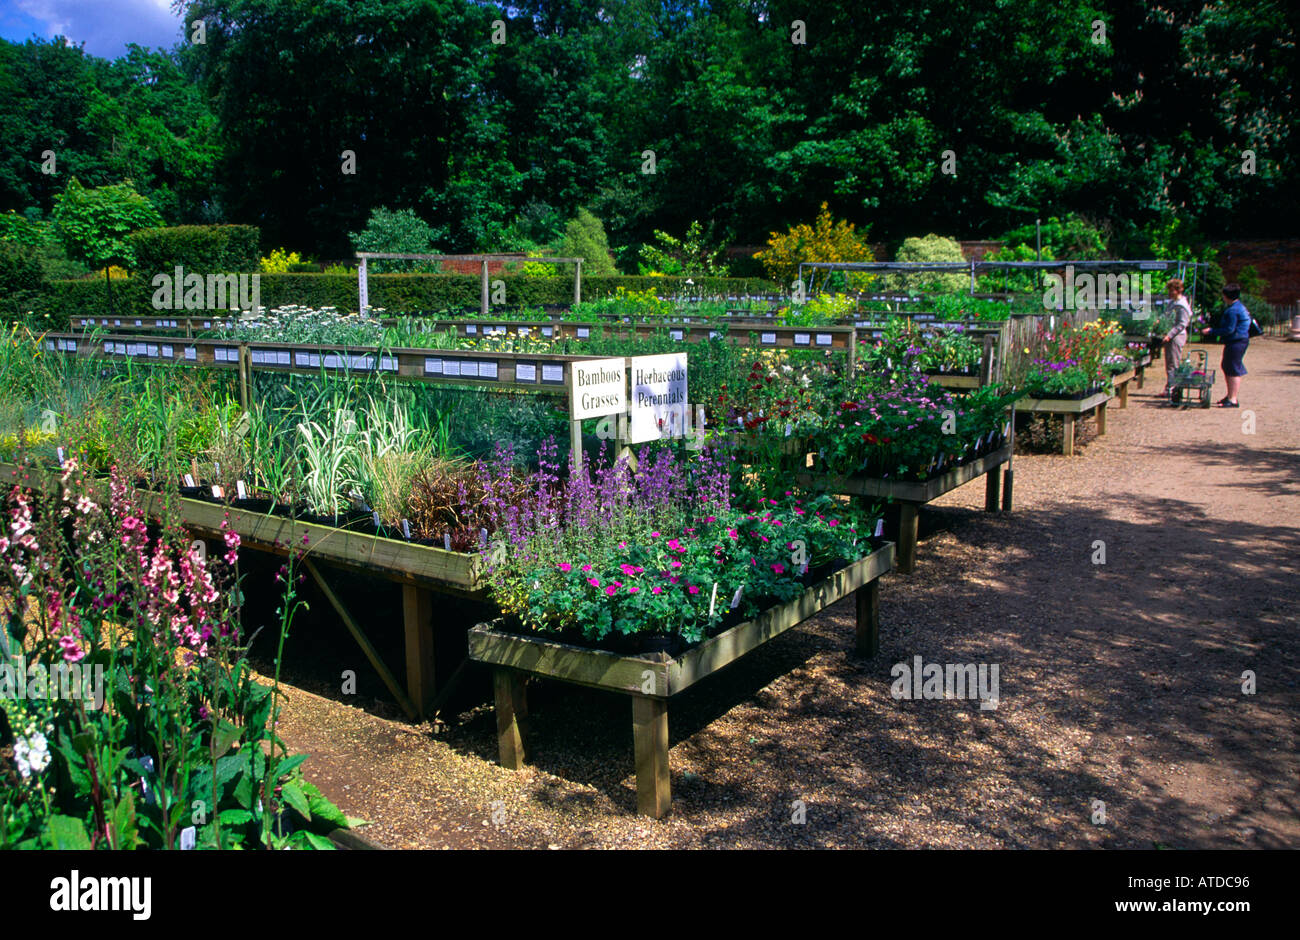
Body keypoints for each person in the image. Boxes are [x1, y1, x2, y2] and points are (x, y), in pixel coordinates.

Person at [1201, 283, 1251, 407]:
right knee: (1228, 366)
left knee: (1233, 368)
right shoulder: (1238, 306)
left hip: (1236, 341)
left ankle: (1233, 399)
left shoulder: (1233, 310)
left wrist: (1211, 331)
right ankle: (1230, 395)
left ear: (1226, 296)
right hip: (1238, 340)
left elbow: (1229, 329)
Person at [1160, 278, 1192, 397]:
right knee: (1169, 362)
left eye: (1172, 290)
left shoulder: (1181, 305)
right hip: (1171, 336)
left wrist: (1169, 335)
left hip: (1176, 337)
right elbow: (1166, 316)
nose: (1169, 292)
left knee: (1173, 363)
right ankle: (1170, 387)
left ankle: (1172, 389)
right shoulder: (1172, 302)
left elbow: (1182, 324)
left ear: (1179, 290)